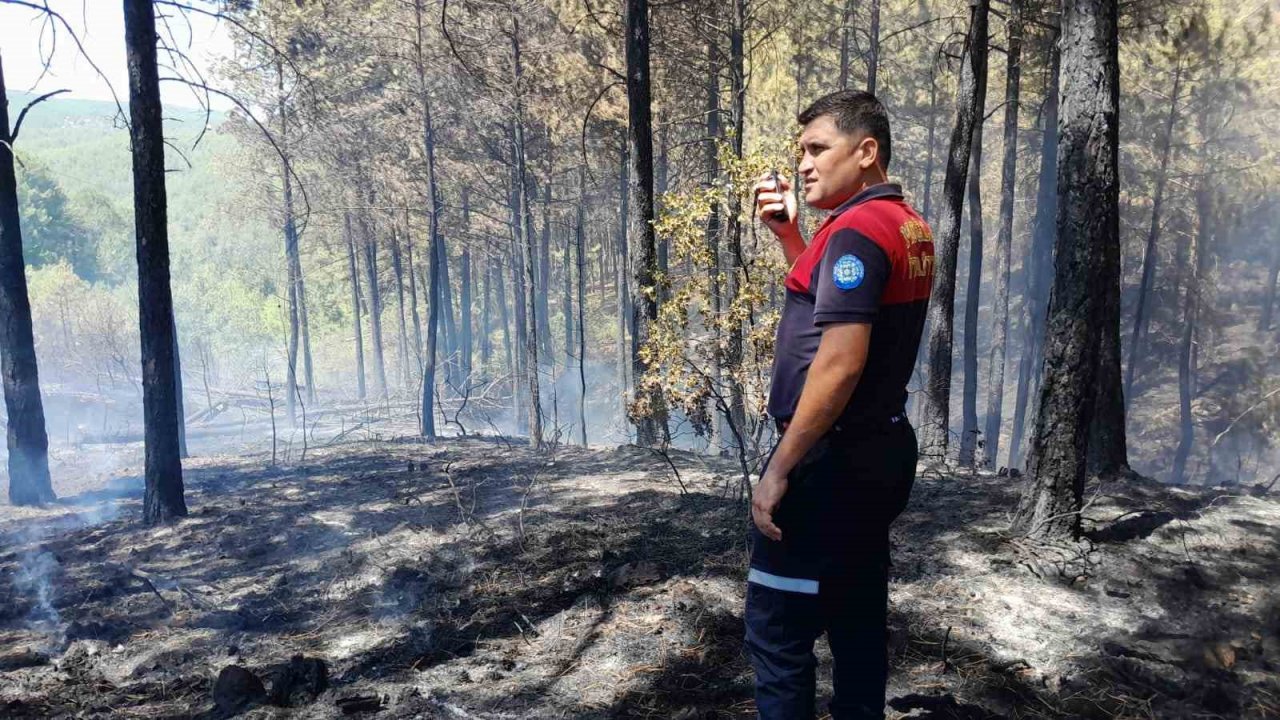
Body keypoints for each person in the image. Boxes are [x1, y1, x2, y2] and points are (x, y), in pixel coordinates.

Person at [746, 89, 935, 719]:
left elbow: (842, 358)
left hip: (829, 463)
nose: (803, 164)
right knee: (855, 624)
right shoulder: (903, 225)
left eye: (817, 148)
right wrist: (789, 234)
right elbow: (837, 309)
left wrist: (780, 468)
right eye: (800, 150)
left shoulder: (855, 231)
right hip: (876, 448)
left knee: (778, 632)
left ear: (867, 151)